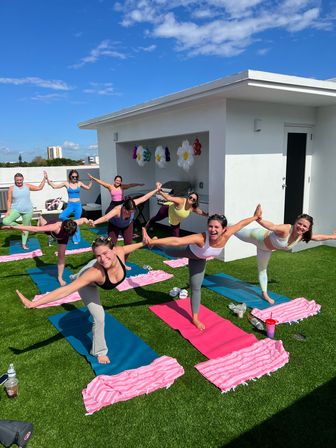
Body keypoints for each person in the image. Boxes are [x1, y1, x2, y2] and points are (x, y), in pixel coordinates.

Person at [16, 236, 146, 364]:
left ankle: (76, 276)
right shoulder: (96, 272)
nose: (103, 258)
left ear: (113, 249)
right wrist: (34, 303)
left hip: (90, 269)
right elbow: (66, 290)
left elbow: (130, 247)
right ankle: (99, 352)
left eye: (105, 253)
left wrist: (144, 242)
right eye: (98, 256)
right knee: (99, 317)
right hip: (88, 283)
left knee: (83, 274)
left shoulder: (119, 251)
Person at [142, 205, 262, 331]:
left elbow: (241, 224)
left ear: (224, 229)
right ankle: (154, 241)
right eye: (210, 226)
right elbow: (177, 241)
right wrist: (153, 242)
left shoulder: (228, 234)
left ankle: (195, 318)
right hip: (185, 250)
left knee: (196, 287)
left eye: (216, 227)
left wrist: (256, 217)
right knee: (168, 250)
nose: (213, 230)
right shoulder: (201, 238)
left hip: (199, 259)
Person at [234, 212, 336, 304]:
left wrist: (332, 236)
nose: (301, 227)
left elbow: (317, 237)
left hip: (265, 249)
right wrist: (258, 219)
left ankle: (264, 294)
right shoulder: (287, 228)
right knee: (234, 230)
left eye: (305, 226)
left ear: (308, 229)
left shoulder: (302, 236)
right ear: (295, 222)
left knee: (262, 270)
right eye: (299, 223)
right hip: (256, 236)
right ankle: (223, 223)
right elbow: (272, 226)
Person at [90, 182, 162, 267]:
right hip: (114, 226)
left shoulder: (133, 203)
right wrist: (94, 222)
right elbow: (106, 217)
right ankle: (109, 262)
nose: (130, 214)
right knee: (111, 244)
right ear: (124, 209)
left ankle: (122, 263)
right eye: (129, 212)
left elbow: (145, 197)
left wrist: (156, 190)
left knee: (128, 244)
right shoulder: (117, 210)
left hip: (127, 225)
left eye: (132, 212)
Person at [4, 217, 90, 286]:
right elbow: (35, 229)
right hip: (51, 230)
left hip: (62, 238)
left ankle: (60, 277)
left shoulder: (72, 224)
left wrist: (89, 221)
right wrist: (13, 226)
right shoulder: (54, 226)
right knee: (43, 227)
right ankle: (41, 218)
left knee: (61, 256)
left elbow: (84, 219)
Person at [44, 170, 92, 244]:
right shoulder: (66, 183)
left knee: (77, 221)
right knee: (61, 216)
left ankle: (76, 239)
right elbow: (54, 186)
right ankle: (71, 223)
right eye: (73, 177)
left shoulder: (79, 183)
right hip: (70, 205)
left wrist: (91, 180)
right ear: (70, 176)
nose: (74, 178)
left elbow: (88, 187)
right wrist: (47, 179)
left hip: (78, 205)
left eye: (76, 177)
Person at [2, 172, 46, 249]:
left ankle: (24, 244)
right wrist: (8, 211)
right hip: (16, 209)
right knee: (5, 221)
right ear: (15, 180)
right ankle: (21, 226)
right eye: (17, 180)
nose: (19, 182)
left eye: (20, 180)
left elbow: (39, 188)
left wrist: (44, 178)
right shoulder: (11, 188)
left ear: (23, 180)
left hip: (28, 210)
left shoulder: (27, 186)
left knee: (26, 229)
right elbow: (9, 200)